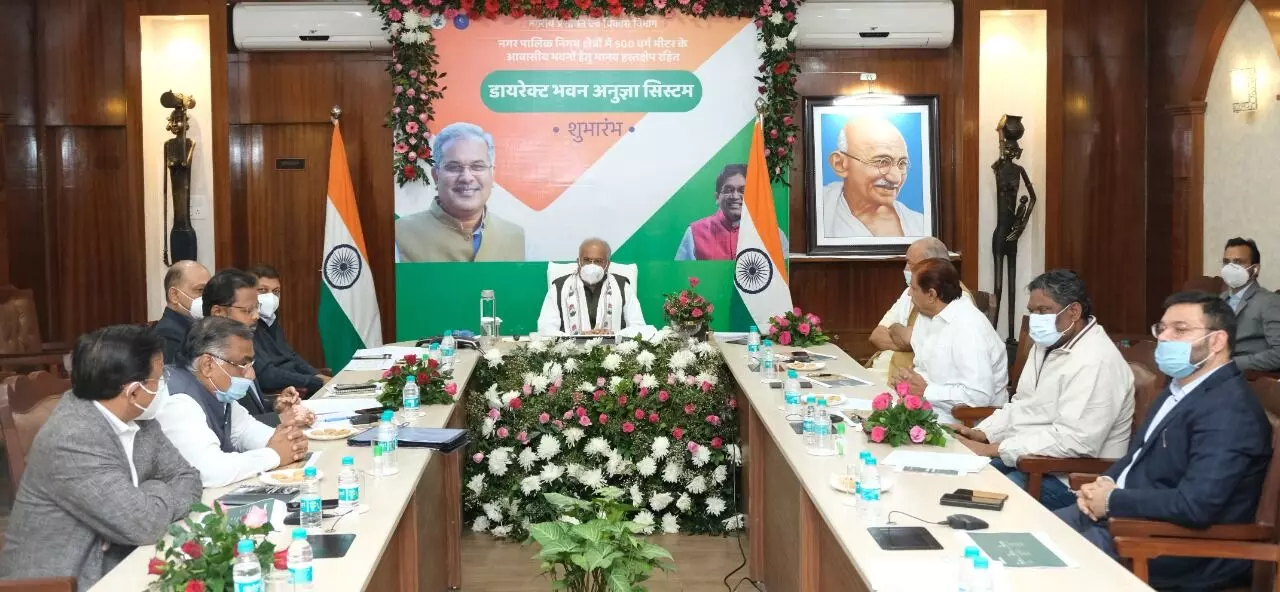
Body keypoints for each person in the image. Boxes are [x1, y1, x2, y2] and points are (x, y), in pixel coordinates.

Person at [1057, 292, 1272, 590]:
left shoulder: (1230, 410)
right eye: (1162, 328)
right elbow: (1136, 457)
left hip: (1177, 546)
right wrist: (1104, 482)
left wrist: (1112, 501)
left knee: (1044, 571)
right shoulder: (1178, 389)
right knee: (1029, 534)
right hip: (1128, 519)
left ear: (1217, 341)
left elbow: (1195, 505)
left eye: (1180, 330)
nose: (1164, 338)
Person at [0, 325, 202, 588]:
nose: (163, 385)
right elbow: (144, 524)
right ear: (133, 391)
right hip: (69, 581)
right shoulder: (72, 437)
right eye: (159, 378)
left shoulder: (140, 419)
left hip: (128, 558)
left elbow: (188, 476)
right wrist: (156, 488)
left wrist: (143, 497)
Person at [948, 270, 1134, 510]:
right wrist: (983, 433)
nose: (1035, 318)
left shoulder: (1097, 361)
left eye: (1043, 310)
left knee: (977, 496)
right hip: (1030, 460)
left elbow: (1075, 442)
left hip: (1071, 480)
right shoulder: (1048, 344)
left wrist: (993, 449)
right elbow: (1023, 405)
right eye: (1032, 311)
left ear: (1074, 311)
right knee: (957, 480)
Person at [156, 317, 311, 488]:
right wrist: (273, 455)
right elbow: (210, 471)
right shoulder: (178, 401)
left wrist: (289, 441)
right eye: (243, 364)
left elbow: (245, 431)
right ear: (208, 365)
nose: (251, 375)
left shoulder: (218, 392)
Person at [895, 258, 1007, 425]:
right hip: (932, 409)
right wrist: (910, 379)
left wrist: (927, 391)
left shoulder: (969, 327)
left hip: (965, 420)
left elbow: (979, 396)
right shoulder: (929, 316)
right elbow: (927, 370)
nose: (909, 294)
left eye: (913, 288)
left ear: (931, 295)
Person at [395, 122, 525, 262]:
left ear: (492, 175)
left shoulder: (516, 237)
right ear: (436, 176)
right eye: (453, 167)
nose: (466, 178)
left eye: (477, 166)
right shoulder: (399, 235)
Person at [202, 268, 310, 425]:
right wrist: (280, 419)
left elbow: (251, 409)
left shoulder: (239, 347)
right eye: (248, 310)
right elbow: (228, 426)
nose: (256, 316)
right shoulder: (211, 360)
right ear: (218, 312)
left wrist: (276, 404)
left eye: (256, 308)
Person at [867, 237, 974, 381]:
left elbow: (911, 340)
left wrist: (895, 330)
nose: (906, 269)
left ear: (931, 266)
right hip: (882, 371)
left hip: (909, 380)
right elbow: (876, 336)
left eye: (910, 263)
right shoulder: (910, 291)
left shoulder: (954, 297)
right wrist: (903, 336)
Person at [821, 116, 928, 238]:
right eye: (882, 162)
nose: (896, 178)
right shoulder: (819, 208)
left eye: (902, 164)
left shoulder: (918, 225)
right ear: (840, 164)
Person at [675, 164, 788, 260]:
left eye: (743, 190)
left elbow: (783, 275)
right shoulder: (694, 233)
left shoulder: (773, 234)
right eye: (728, 190)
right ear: (717, 197)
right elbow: (682, 275)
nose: (735, 196)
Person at [247, 264, 330, 395]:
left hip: (293, 387)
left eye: (276, 291)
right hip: (277, 395)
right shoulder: (246, 325)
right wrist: (314, 381)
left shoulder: (271, 319)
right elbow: (267, 375)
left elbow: (290, 357)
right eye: (262, 290)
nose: (271, 297)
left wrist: (318, 375)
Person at [538, 238, 645, 335]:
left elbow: (638, 326)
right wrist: (577, 338)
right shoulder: (559, 287)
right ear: (578, 262)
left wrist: (611, 335)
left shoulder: (622, 287)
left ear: (607, 265)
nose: (592, 265)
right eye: (587, 260)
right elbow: (545, 328)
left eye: (598, 261)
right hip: (571, 348)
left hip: (612, 348)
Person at [1219, 237, 1280, 371]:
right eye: (1226, 262)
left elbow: (1278, 354)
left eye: (1238, 262)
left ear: (1255, 269)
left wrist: (1227, 364)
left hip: (1244, 374)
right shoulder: (1220, 300)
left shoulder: (1270, 302)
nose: (1230, 267)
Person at [154, 260, 211, 363]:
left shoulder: (200, 326)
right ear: (174, 295)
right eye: (200, 290)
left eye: (209, 291)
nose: (207, 298)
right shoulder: (167, 335)